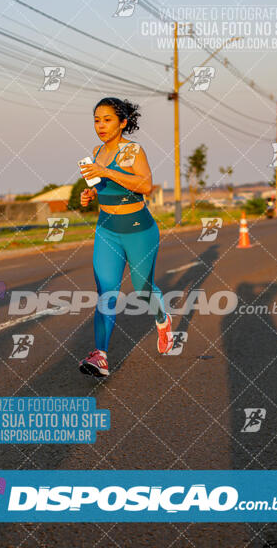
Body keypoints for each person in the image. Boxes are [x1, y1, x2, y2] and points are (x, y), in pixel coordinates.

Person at [78, 97, 173, 377]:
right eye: (97, 120)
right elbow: (104, 188)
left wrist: (106, 171)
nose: (101, 125)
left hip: (138, 229)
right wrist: (90, 194)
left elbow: (145, 185)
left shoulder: (132, 151)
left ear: (123, 123)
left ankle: (162, 317)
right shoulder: (95, 153)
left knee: (143, 290)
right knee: (106, 292)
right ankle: (101, 356)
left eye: (107, 120)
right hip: (107, 229)